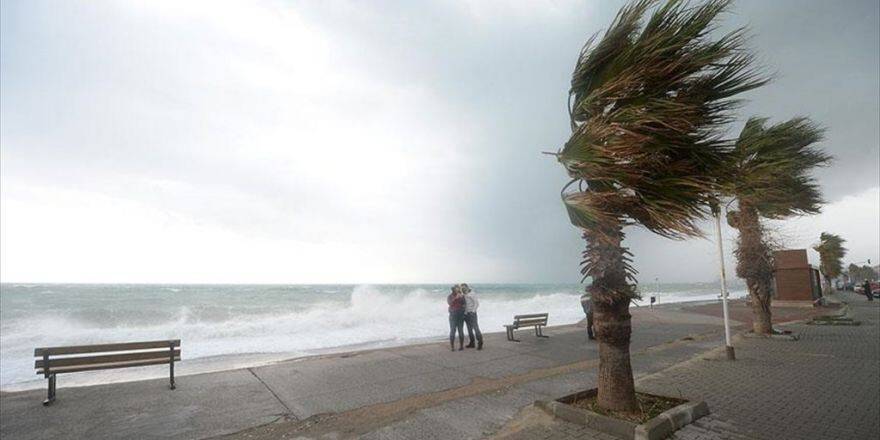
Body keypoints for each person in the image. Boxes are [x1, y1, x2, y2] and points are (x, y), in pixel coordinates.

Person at [462, 283, 483, 350]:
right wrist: (465, 313)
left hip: (472, 314)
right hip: (466, 314)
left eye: (464, 287)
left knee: (476, 328)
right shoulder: (464, 295)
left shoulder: (472, 293)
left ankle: (480, 343)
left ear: (467, 287)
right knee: (469, 329)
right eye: (462, 288)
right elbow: (465, 305)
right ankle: (472, 343)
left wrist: (473, 312)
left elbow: (476, 303)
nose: (463, 289)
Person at [447, 285, 466, 351]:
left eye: (458, 289)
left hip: (460, 315)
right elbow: (450, 303)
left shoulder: (461, 296)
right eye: (457, 288)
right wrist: (456, 298)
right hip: (453, 315)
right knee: (453, 330)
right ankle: (452, 347)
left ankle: (461, 346)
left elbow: (464, 304)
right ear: (453, 290)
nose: (458, 290)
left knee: (460, 330)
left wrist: (462, 310)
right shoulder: (450, 296)